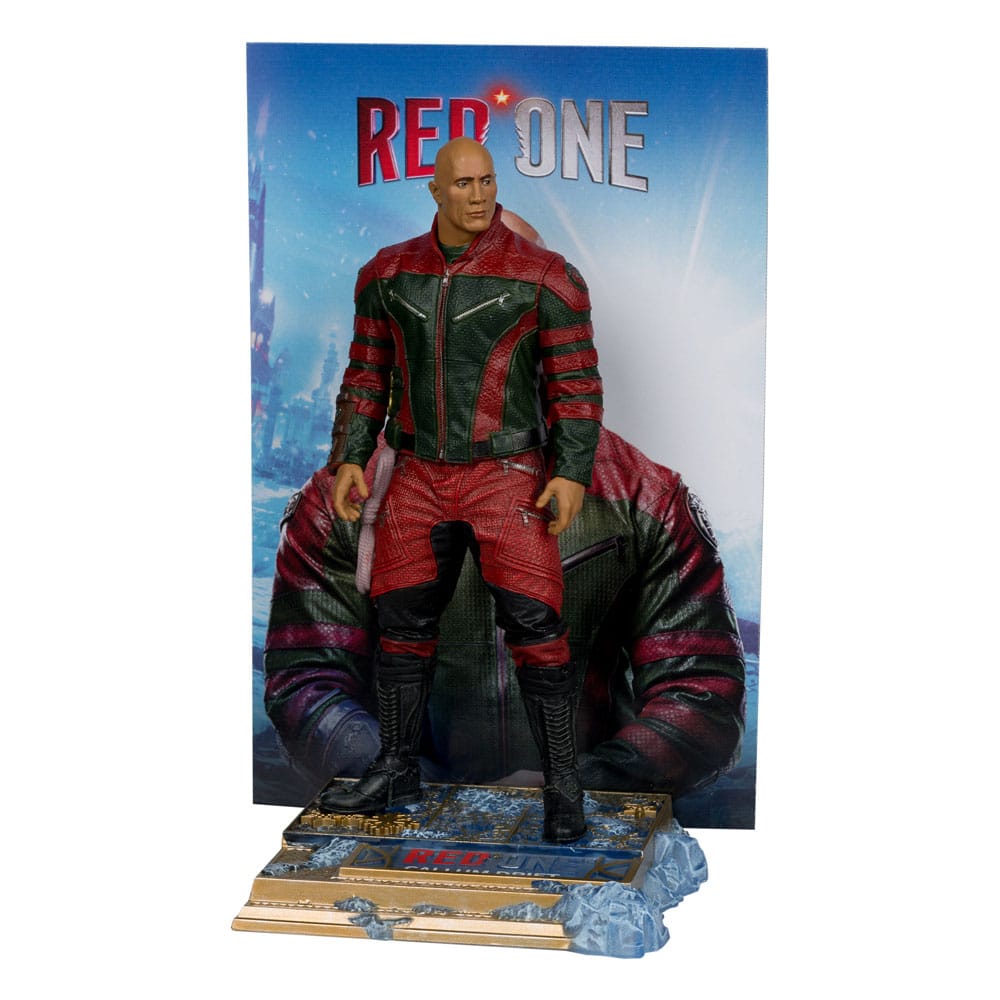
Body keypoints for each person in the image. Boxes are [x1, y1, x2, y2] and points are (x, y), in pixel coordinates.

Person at [317, 138, 603, 841]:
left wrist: (571, 471)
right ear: (436, 189)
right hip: (416, 475)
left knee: (537, 628)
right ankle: (397, 768)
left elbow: (575, 385)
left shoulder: (545, 276)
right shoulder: (388, 273)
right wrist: (350, 458)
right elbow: (366, 375)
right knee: (400, 623)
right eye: (464, 183)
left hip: (506, 476)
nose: (479, 195)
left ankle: (564, 784)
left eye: (488, 180)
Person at [264, 428, 746, 814]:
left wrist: (590, 782)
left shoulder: (646, 495)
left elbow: (703, 694)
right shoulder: (338, 500)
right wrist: (418, 791)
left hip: (588, 824)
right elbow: (306, 685)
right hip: (398, 823)